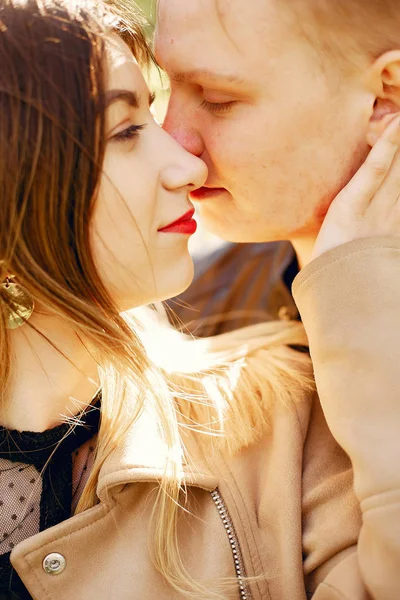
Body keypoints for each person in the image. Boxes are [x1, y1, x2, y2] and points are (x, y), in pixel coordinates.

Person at [0, 1, 399, 600]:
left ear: (384, 97)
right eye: (130, 128)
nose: (184, 156)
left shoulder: (281, 421)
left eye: (216, 97)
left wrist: (353, 290)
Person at [155, 0, 400, 334]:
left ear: (386, 97)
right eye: (167, 86)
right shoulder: (186, 320)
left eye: (217, 98)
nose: (170, 144)